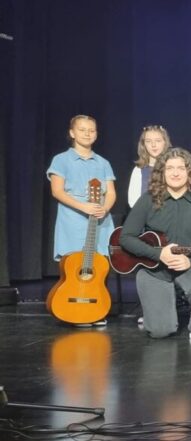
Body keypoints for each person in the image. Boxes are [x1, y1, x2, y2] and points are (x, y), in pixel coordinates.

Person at [119, 148, 191, 340]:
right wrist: (159, 255)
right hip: (154, 269)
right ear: (161, 173)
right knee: (160, 332)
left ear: (190, 172)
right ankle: (164, 307)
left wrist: (190, 261)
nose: (175, 173)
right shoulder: (148, 200)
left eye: (181, 168)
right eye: (169, 168)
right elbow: (126, 237)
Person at [47, 115, 117, 326]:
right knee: (74, 266)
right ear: (72, 133)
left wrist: (103, 208)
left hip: (99, 220)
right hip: (73, 220)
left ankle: (95, 309)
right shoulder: (61, 160)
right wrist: (83, 207)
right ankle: (75, 308)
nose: (87, 134)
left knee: (98, 266)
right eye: (82, 129)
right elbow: (57, 191)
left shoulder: (103, 162)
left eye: (91, 130)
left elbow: (111, 192)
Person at [126, 125, 170, 209]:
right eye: (148, 141)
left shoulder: (173, 168)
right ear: (143, 144)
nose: (153, 145)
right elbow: (133, 201)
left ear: (165, 142)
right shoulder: (139, 170)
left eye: (158, 141)